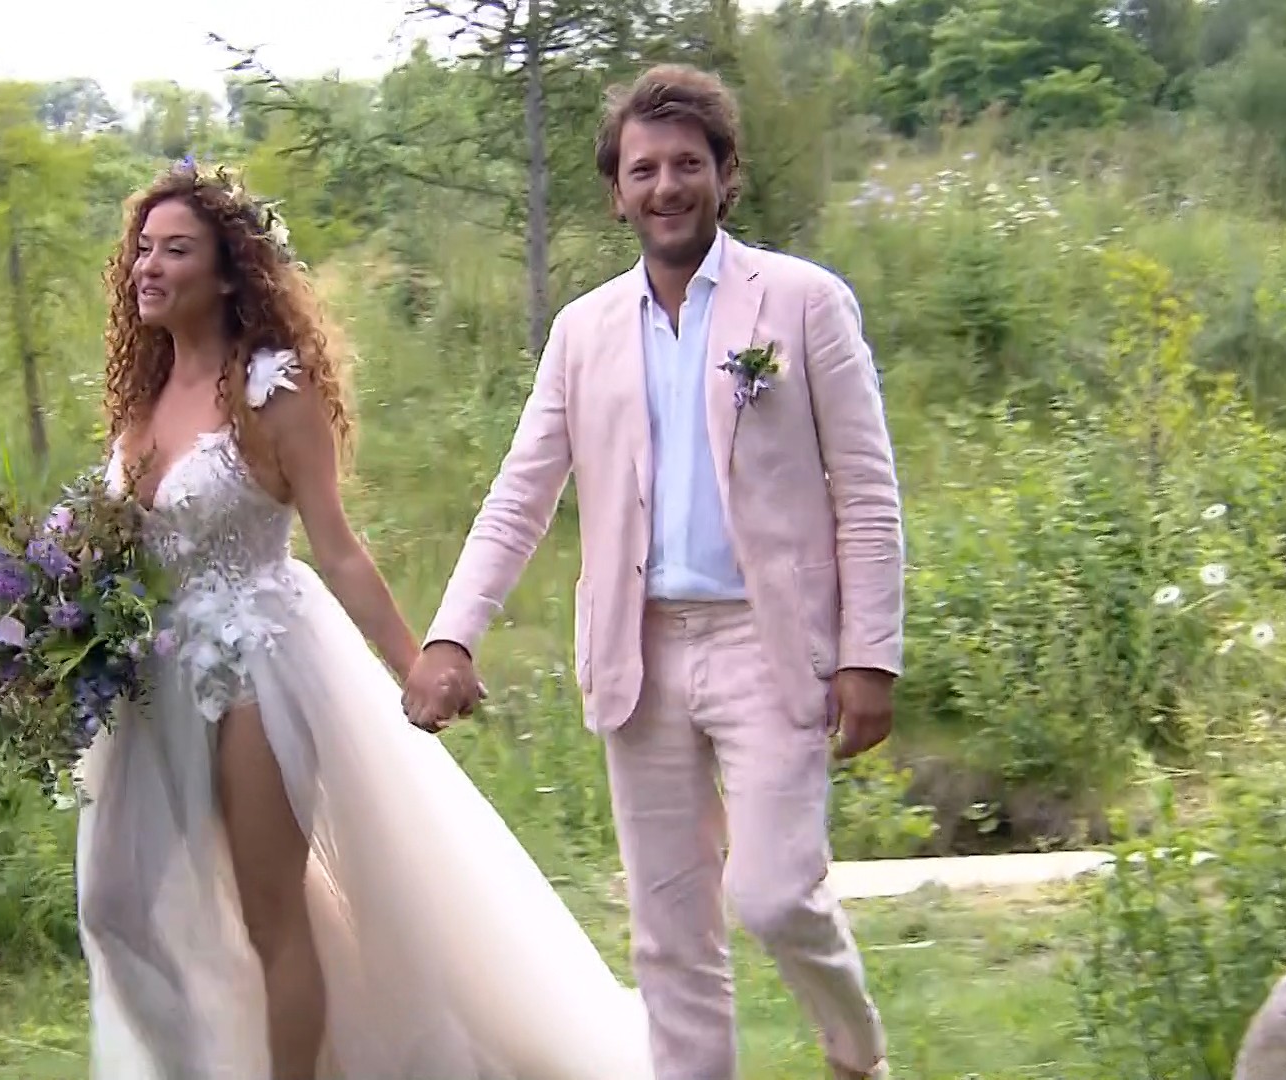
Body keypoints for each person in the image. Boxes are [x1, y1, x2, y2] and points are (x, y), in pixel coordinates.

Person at [72, 158, 652, 1079]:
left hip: (255, 664)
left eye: (175, 250)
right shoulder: (142, 391)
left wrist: (416, 662)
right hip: (153, 675)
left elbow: (336, 546)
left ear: (226, 272)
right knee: (113, 903)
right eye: (143, 248)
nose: (149, 265)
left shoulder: (270, 389)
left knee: (273, 914)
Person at [405, 63, 902, 1080]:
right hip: (639, 654)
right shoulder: (582, 332)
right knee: (670, 934)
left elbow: (865, 488)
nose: (666, 186)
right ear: (617, 192)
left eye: (687, 165)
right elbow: (520, 494)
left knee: (773, 894)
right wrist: (453, 633)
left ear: (725, 175)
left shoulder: (803, 304)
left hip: (771, 646)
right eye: (644, 170)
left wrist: (871, 655)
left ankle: (856, 1052)